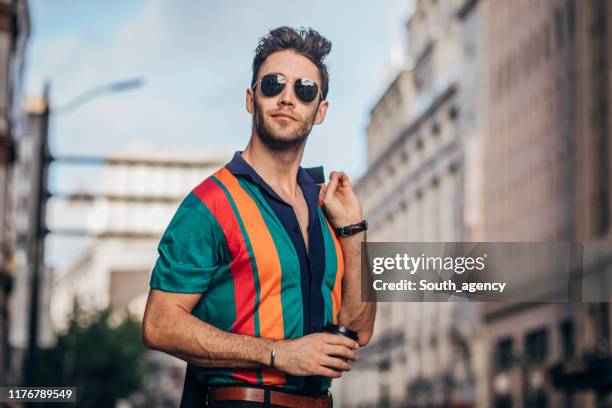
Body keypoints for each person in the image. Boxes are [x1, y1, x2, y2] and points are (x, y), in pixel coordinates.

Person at [142, 26, 376, 408]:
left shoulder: (326, 204)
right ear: (251, 99)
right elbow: (159, 325)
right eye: (273, 84)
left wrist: (354, 231)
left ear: (321, 111)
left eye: (304, 90)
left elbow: (359, 331)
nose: (287, 98)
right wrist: (279, 354)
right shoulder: (210, 203)